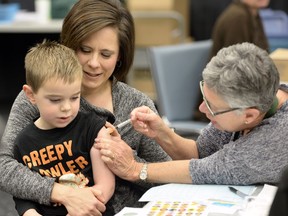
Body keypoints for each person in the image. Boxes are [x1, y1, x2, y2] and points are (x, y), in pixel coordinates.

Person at [0, 0, 171, 215]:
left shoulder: (137, 105)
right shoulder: (39, 96)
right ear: (70, 45)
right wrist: (63, 194)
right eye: (85, 50)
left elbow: (167, 180)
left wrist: (130, 165)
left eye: (106, 54)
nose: (93, 63)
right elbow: (4, 167)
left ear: (120, 56)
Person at [95, 42, 288, 186]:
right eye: (204, 96)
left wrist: (135, 169)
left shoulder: (276, 138)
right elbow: (200, 153)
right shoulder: (244, 104)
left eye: (212, 107)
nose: (203, 109)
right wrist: (162, 133)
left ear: (249, 116)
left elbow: (207, 170)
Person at [13, 40, 115, 216]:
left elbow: (106, 186)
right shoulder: (23, 142)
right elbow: (23, 194)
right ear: (31, 95)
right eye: (55, 100)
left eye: (74, 97)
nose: (67, 107)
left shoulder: (93, 128)